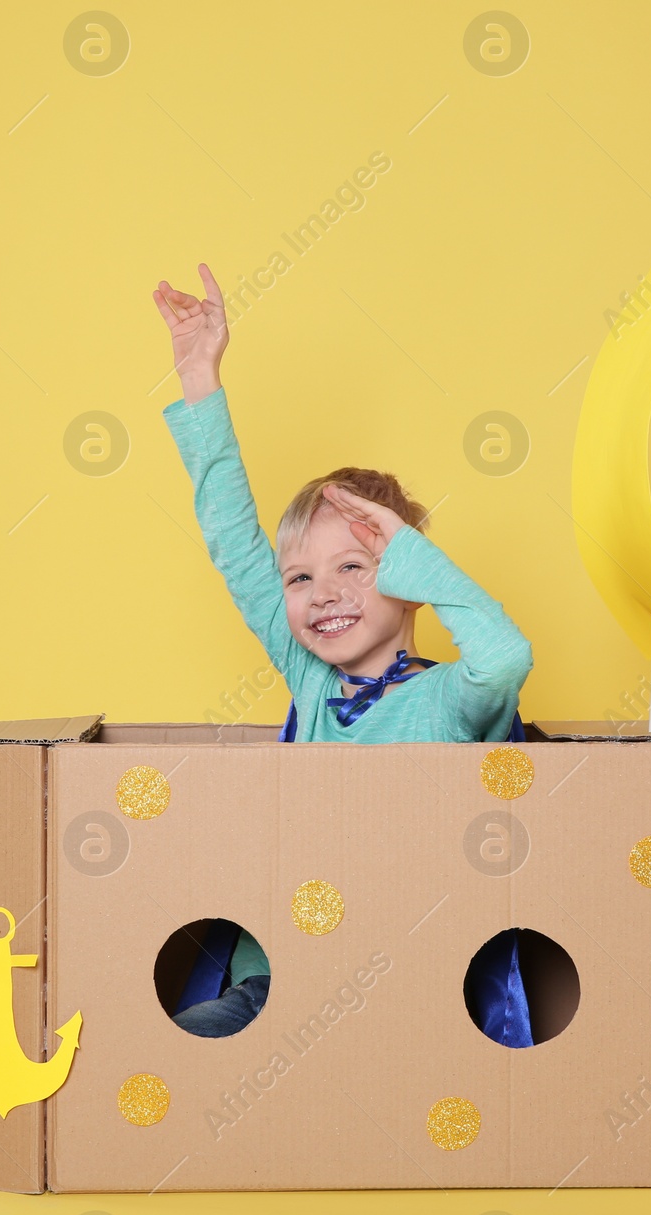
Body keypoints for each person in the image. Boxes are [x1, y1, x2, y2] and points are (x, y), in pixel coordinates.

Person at [149, 263, 536, 1041]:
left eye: (353, 568)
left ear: (408, 577)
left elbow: (506, 656)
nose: (321, 592)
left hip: (423, 980)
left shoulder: (452, 699)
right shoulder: (309, 675)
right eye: (300, 576)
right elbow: (233, 541)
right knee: (190, 1044)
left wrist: (417, 558)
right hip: (288, 979)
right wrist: (200, 377)